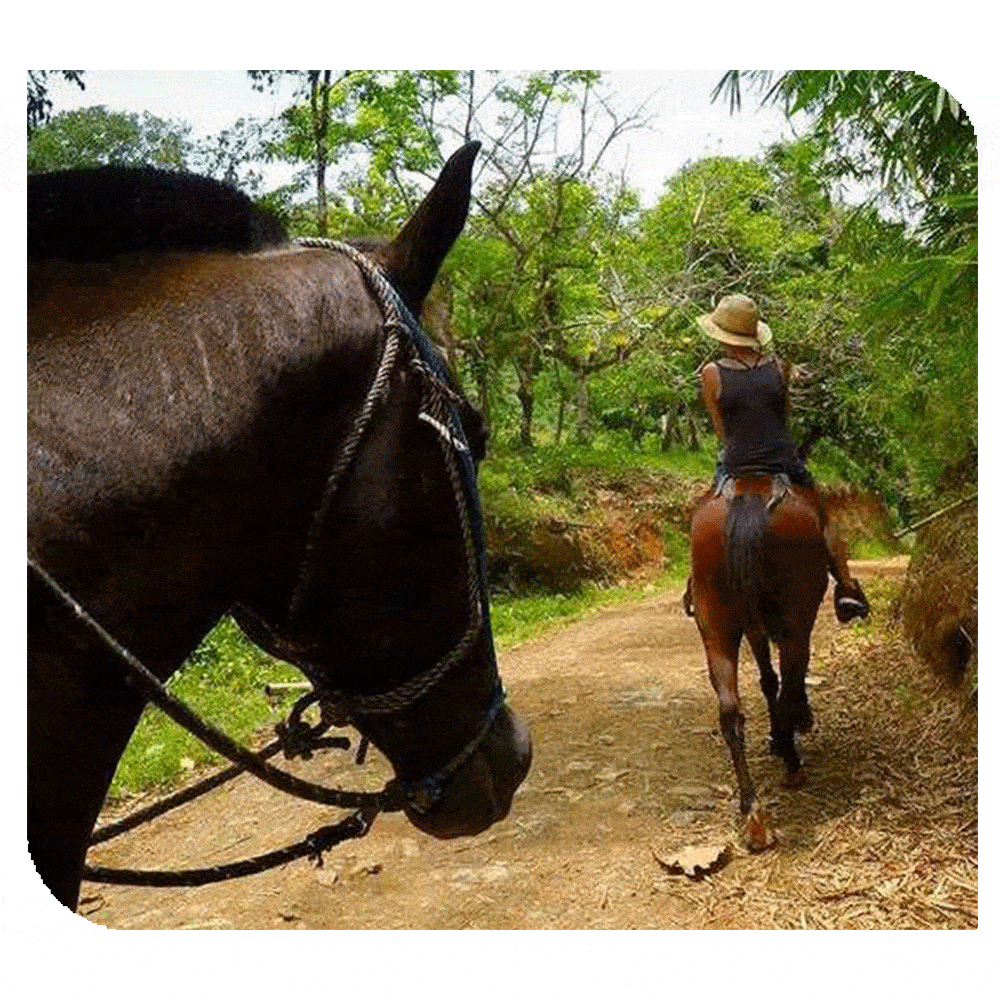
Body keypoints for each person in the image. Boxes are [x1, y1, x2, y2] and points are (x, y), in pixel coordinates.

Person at [686, 293, 869, 623]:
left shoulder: (711, 373)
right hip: (783, 462)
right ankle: (845, 585)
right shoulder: (780, 368)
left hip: (736, 462)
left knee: (703, 508)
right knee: (823, 515)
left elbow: (720, 431)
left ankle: (696, 583)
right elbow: (783, 419)